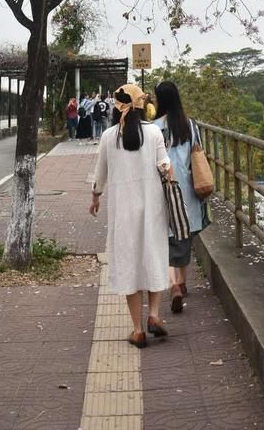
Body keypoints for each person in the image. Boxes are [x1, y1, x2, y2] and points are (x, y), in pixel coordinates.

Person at [89, 83, 172, 348]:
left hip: (123, 210)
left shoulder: (109, 136)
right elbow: (165, 166)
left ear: (117, 106)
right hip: (153, 207)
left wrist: (96, 196)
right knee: (153, 255)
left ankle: (137, 330)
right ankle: (155, 315)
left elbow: (100, 172)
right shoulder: (155, 133)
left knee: (128, 263)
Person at [153, 80, 205, 314]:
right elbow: (198, 153)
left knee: (168, 237)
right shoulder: (190, 125)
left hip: (163, 186)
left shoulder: (154, 127)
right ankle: (182, 282)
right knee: (185, 235)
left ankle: (174, 283)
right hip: (187, 186)